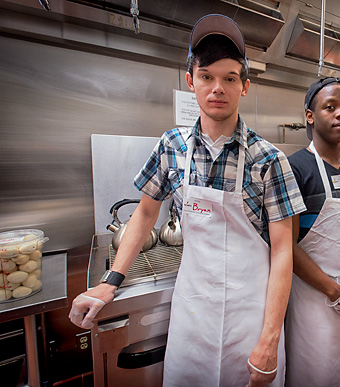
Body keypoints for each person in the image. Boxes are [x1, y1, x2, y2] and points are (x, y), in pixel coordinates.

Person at [69, 14, 306, 387]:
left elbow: (282, 252)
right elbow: (146, 214)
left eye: (230, 78)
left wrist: (270, 338)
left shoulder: (269, 159)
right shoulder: (171, 146)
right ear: (190, 81)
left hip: (250, 316)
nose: (217, 88)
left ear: (244, 87)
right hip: (192, 312)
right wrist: (109, 282)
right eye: (207, 76)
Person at [285, 77, 340, 387]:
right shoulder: (295, 168)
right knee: (314, 373)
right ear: (310, 116)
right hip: (312, 296)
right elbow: (287, 245)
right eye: (330, 107)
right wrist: (334, 292)